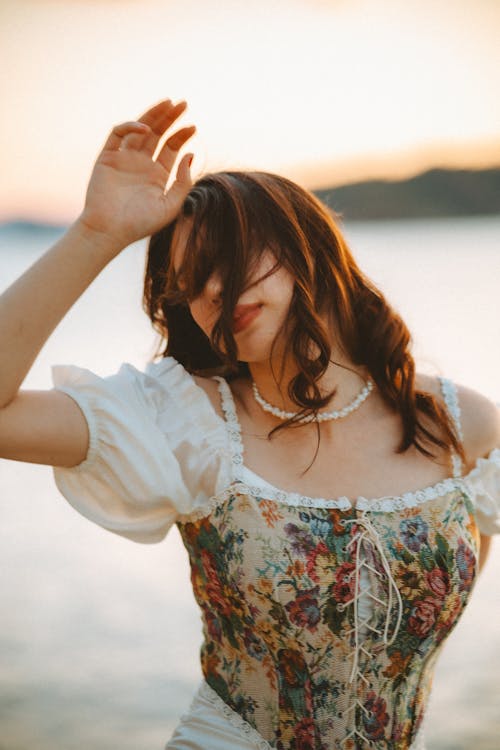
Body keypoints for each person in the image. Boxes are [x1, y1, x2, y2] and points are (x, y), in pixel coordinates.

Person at [0, 97, 499, 750]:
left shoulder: (462, 426)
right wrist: (97, 232)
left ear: (304, 245)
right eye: (189, 284)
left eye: (231, 257)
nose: (212, 289)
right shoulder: (187, 423)